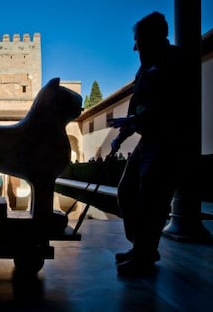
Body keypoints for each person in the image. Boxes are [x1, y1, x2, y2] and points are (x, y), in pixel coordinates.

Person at [108, 12, 189, 276]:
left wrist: (133, 120)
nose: (136, 48)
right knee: (126, 190)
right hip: (148, 140)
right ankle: (142, 247)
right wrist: (122, 135)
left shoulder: (174, 61)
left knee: (151, 200)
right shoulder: (145, 67)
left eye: (139, 41)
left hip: (168, 140)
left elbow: (173, 104)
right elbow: (137, 105)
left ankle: (143, 254)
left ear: (153, 38)